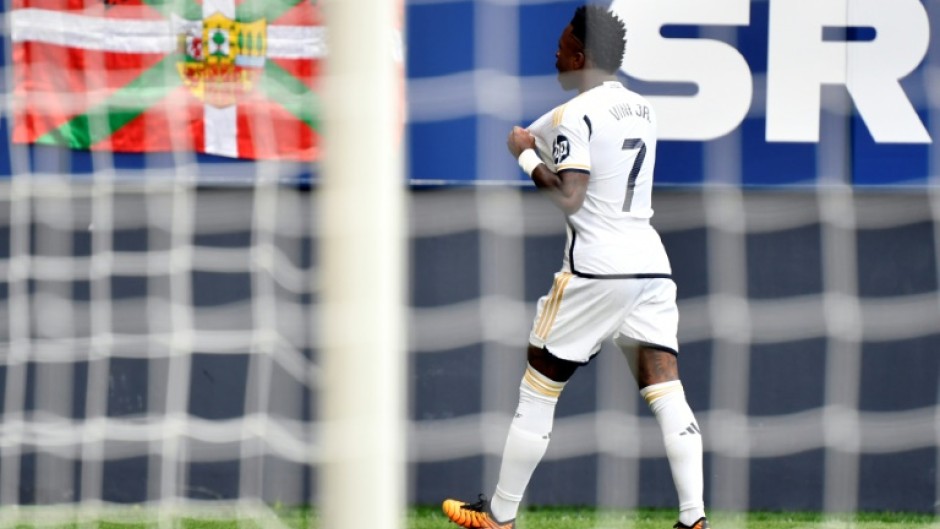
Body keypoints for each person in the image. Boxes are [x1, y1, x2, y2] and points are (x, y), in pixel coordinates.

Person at [441, 5, 709, 529]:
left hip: (597, 271)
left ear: (580, 56)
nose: (555, 52)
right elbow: (555, 132)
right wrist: (531, 136)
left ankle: (498, 517)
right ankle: (693, 519)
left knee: (538, 388)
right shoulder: (642, 110)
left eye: (562, 45)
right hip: (651, 269)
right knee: (666, 391)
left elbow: (570, 194)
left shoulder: (573, 116)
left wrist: (523, 155)